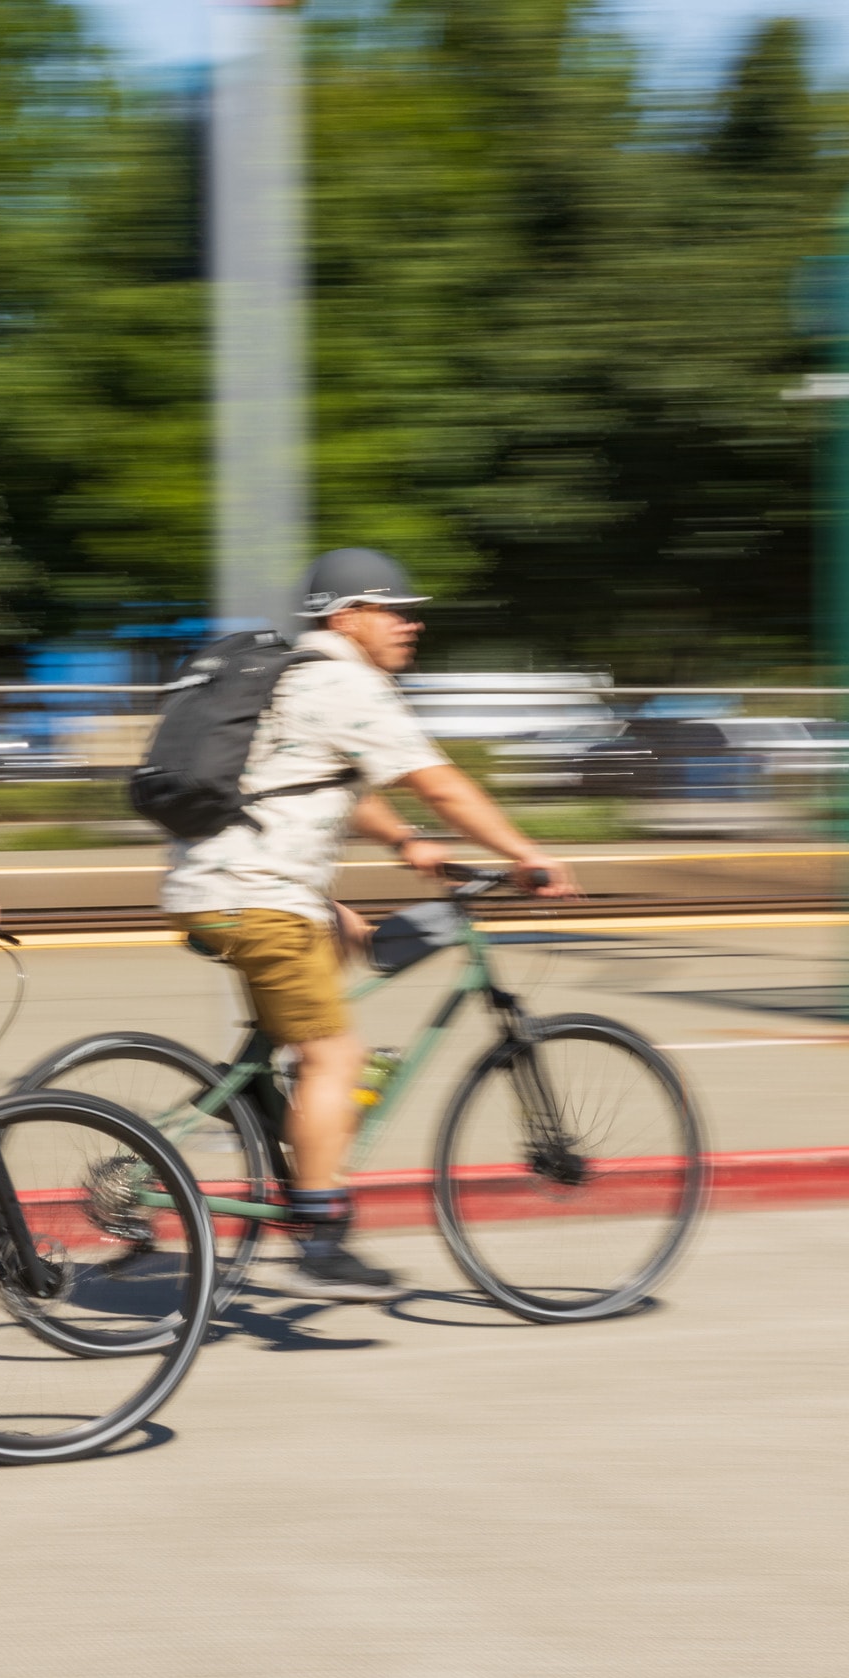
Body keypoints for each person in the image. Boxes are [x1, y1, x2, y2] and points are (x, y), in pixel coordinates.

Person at [163, 547, 579, 1302]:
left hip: (222, 885)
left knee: (352, 941)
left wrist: (406, 843)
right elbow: (440, 784)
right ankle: (321, 1227)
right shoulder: (345, 682)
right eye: (394, 608)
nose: (410, 624)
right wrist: (525, 854)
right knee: (335, 1054)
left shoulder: (295, 674)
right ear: (347, 616)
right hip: (258, 895)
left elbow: (337, 776)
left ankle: (270, 1102)